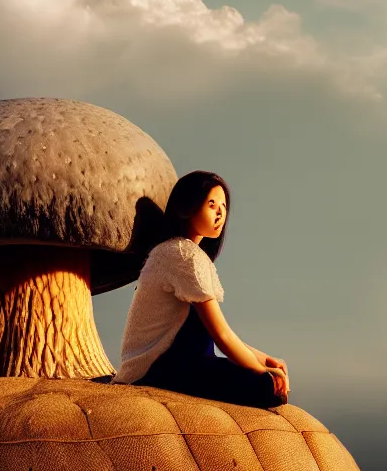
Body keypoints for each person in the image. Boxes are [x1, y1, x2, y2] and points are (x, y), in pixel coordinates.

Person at [112, 171, 290, 407]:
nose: (220, 212)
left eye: (224, 206)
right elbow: (221, 335)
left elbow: (217, 331)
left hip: (186, 362)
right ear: (188, 206)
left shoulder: (187, 254)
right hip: (158, 368)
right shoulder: (182, 254)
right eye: (212, 204)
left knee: (265, 384)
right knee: (266, 388)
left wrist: (266, 360)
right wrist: (262, 371)